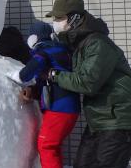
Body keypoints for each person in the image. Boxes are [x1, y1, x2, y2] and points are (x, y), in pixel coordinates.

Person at [45, 0, 131, 168]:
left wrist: (54, 75)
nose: (55, 22)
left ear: (74, 18)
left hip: (118, 119)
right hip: (100, 119)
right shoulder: (80, 43)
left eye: (59, 18)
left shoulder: (97, 44)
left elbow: (86, 82)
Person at [7, 21, 80, 168]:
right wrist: (33, 92)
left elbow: (33, 67)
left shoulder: (45, 51)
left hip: (59, 108)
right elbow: (47, 82)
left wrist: (20, 76)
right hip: (67, 107)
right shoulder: (59, 51)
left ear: (35, 37)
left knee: (46, 145)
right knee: (53, 145)